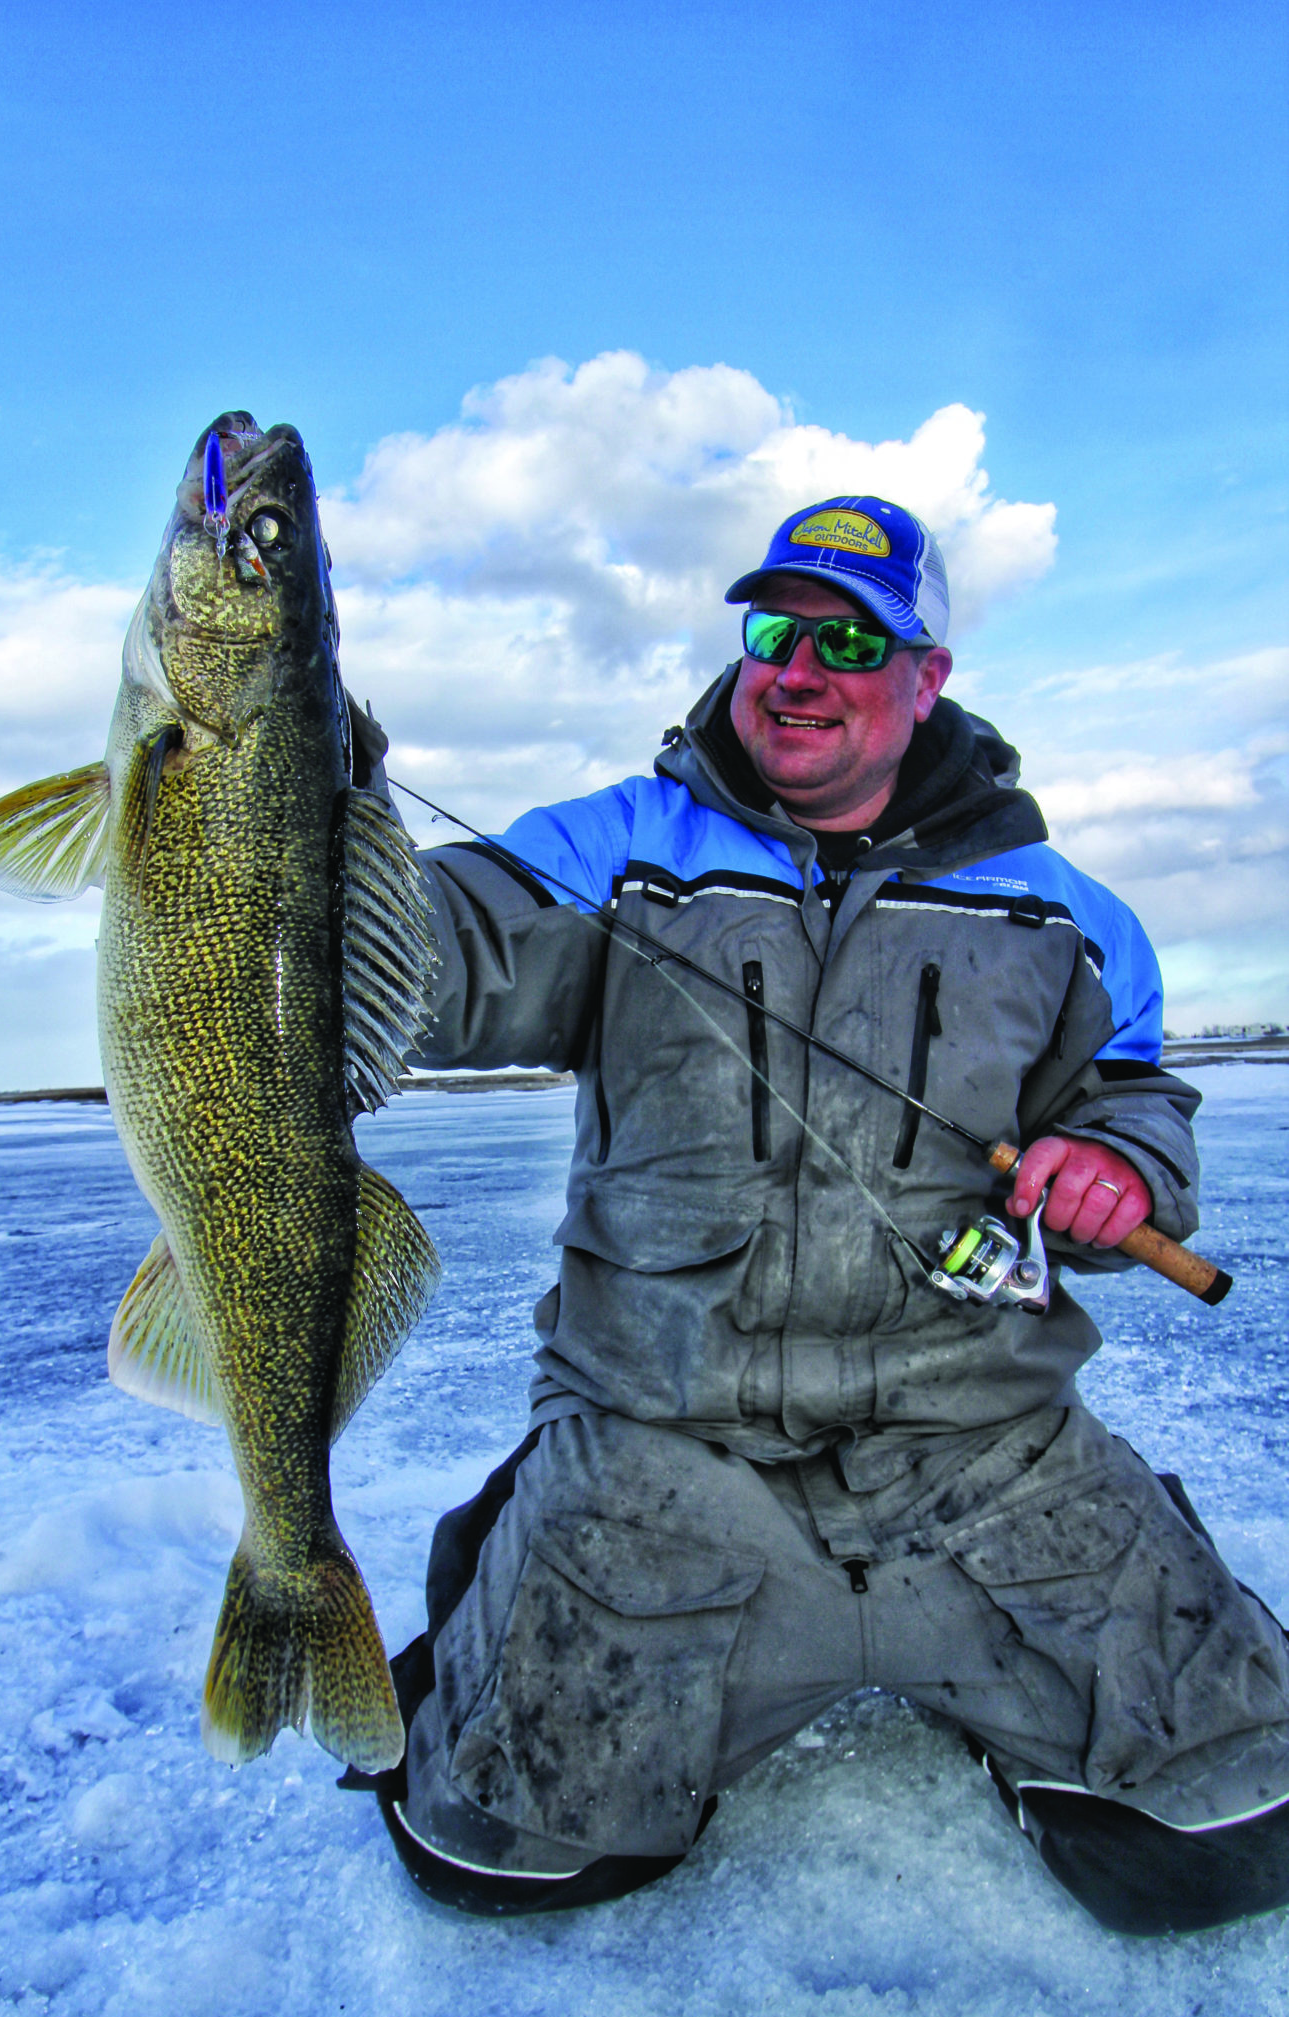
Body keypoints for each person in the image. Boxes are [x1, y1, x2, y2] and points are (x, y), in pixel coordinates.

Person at [348, 496, 1289, 1933]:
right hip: (669, 1438)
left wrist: (1121, 1173)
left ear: (929, 678)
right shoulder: (620, 844)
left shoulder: (1063, 911)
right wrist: (314, 823)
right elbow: (422, 962)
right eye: (775, 630)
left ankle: (1053, 1628)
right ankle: (528, 1570)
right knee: (501, 1849)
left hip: (981, 1440)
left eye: (851, 640)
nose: (798, 668)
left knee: (1241, 1824)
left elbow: (1134, 1102)